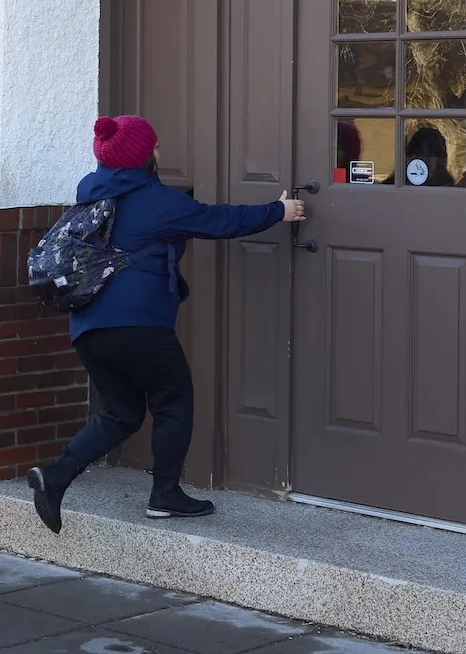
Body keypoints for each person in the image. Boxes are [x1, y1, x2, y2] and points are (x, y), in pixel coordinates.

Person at [27, 113, 306, 529]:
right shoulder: (157, 202)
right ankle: (166, 494)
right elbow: (221, 221)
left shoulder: (90, 199)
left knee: (120, 413)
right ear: (142, 156)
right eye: (154, 146)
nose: (159, 151)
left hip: (87, 329)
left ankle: (55, 477)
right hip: (138, 326)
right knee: (174, 400)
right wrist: (278, 210)